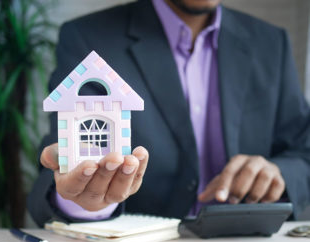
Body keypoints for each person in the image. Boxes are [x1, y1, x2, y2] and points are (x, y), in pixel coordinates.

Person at [27, 0, 310, 227]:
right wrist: (84, 200)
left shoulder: (272, 42)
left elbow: (303, 151)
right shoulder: (88, 37)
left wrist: (280, 172)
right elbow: (65, 157)